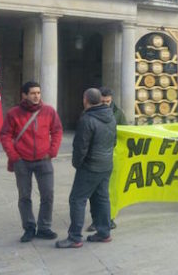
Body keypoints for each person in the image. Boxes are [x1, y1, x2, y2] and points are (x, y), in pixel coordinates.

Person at [0, 81, 63, 243]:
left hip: (44, 160)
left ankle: (44, 227)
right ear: (24, 95)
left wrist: (52, 150)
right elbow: (5, 135)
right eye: (33, 93)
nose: (36, 96)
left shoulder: (48, 111)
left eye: (38, 93)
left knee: (48, 194)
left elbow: (57, 130)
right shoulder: (14, 113)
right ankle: (29, 227)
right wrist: (14, 156)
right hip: (22, 161)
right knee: (24, 196)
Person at [56, 88, 116, 249]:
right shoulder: (110, 116)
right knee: (102, 198)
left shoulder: (87, 119)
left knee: (77, 199)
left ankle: (75, 237)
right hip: (106, 164)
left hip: (90, 166)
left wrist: (77, 164)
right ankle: (104, 232)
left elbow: (80, 146)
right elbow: (113, 141)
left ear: (85, 100)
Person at [87, 87, 125, 231]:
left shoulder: (119, 114)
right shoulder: (90, 113)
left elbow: (125, 133)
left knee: (109, 191)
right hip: (94, 159)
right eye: (102, 101)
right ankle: (96, 220)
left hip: (113, 158)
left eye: (107, 101)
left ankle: (109, 218)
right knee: (94, 192)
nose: (105, 104)